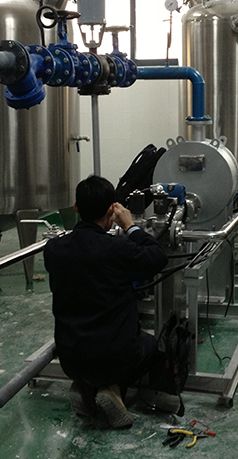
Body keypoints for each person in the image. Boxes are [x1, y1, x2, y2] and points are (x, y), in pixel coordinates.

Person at [44, 175, 168, 428]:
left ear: (76, 208)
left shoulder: (54, 249)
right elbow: (157, 258)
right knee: (150, 345)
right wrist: (131, 227)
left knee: (95, 348)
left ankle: (84, 388)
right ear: (112, 210)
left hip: (69, 358)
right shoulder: (117, 249)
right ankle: (112, 389)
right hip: (114, 358)